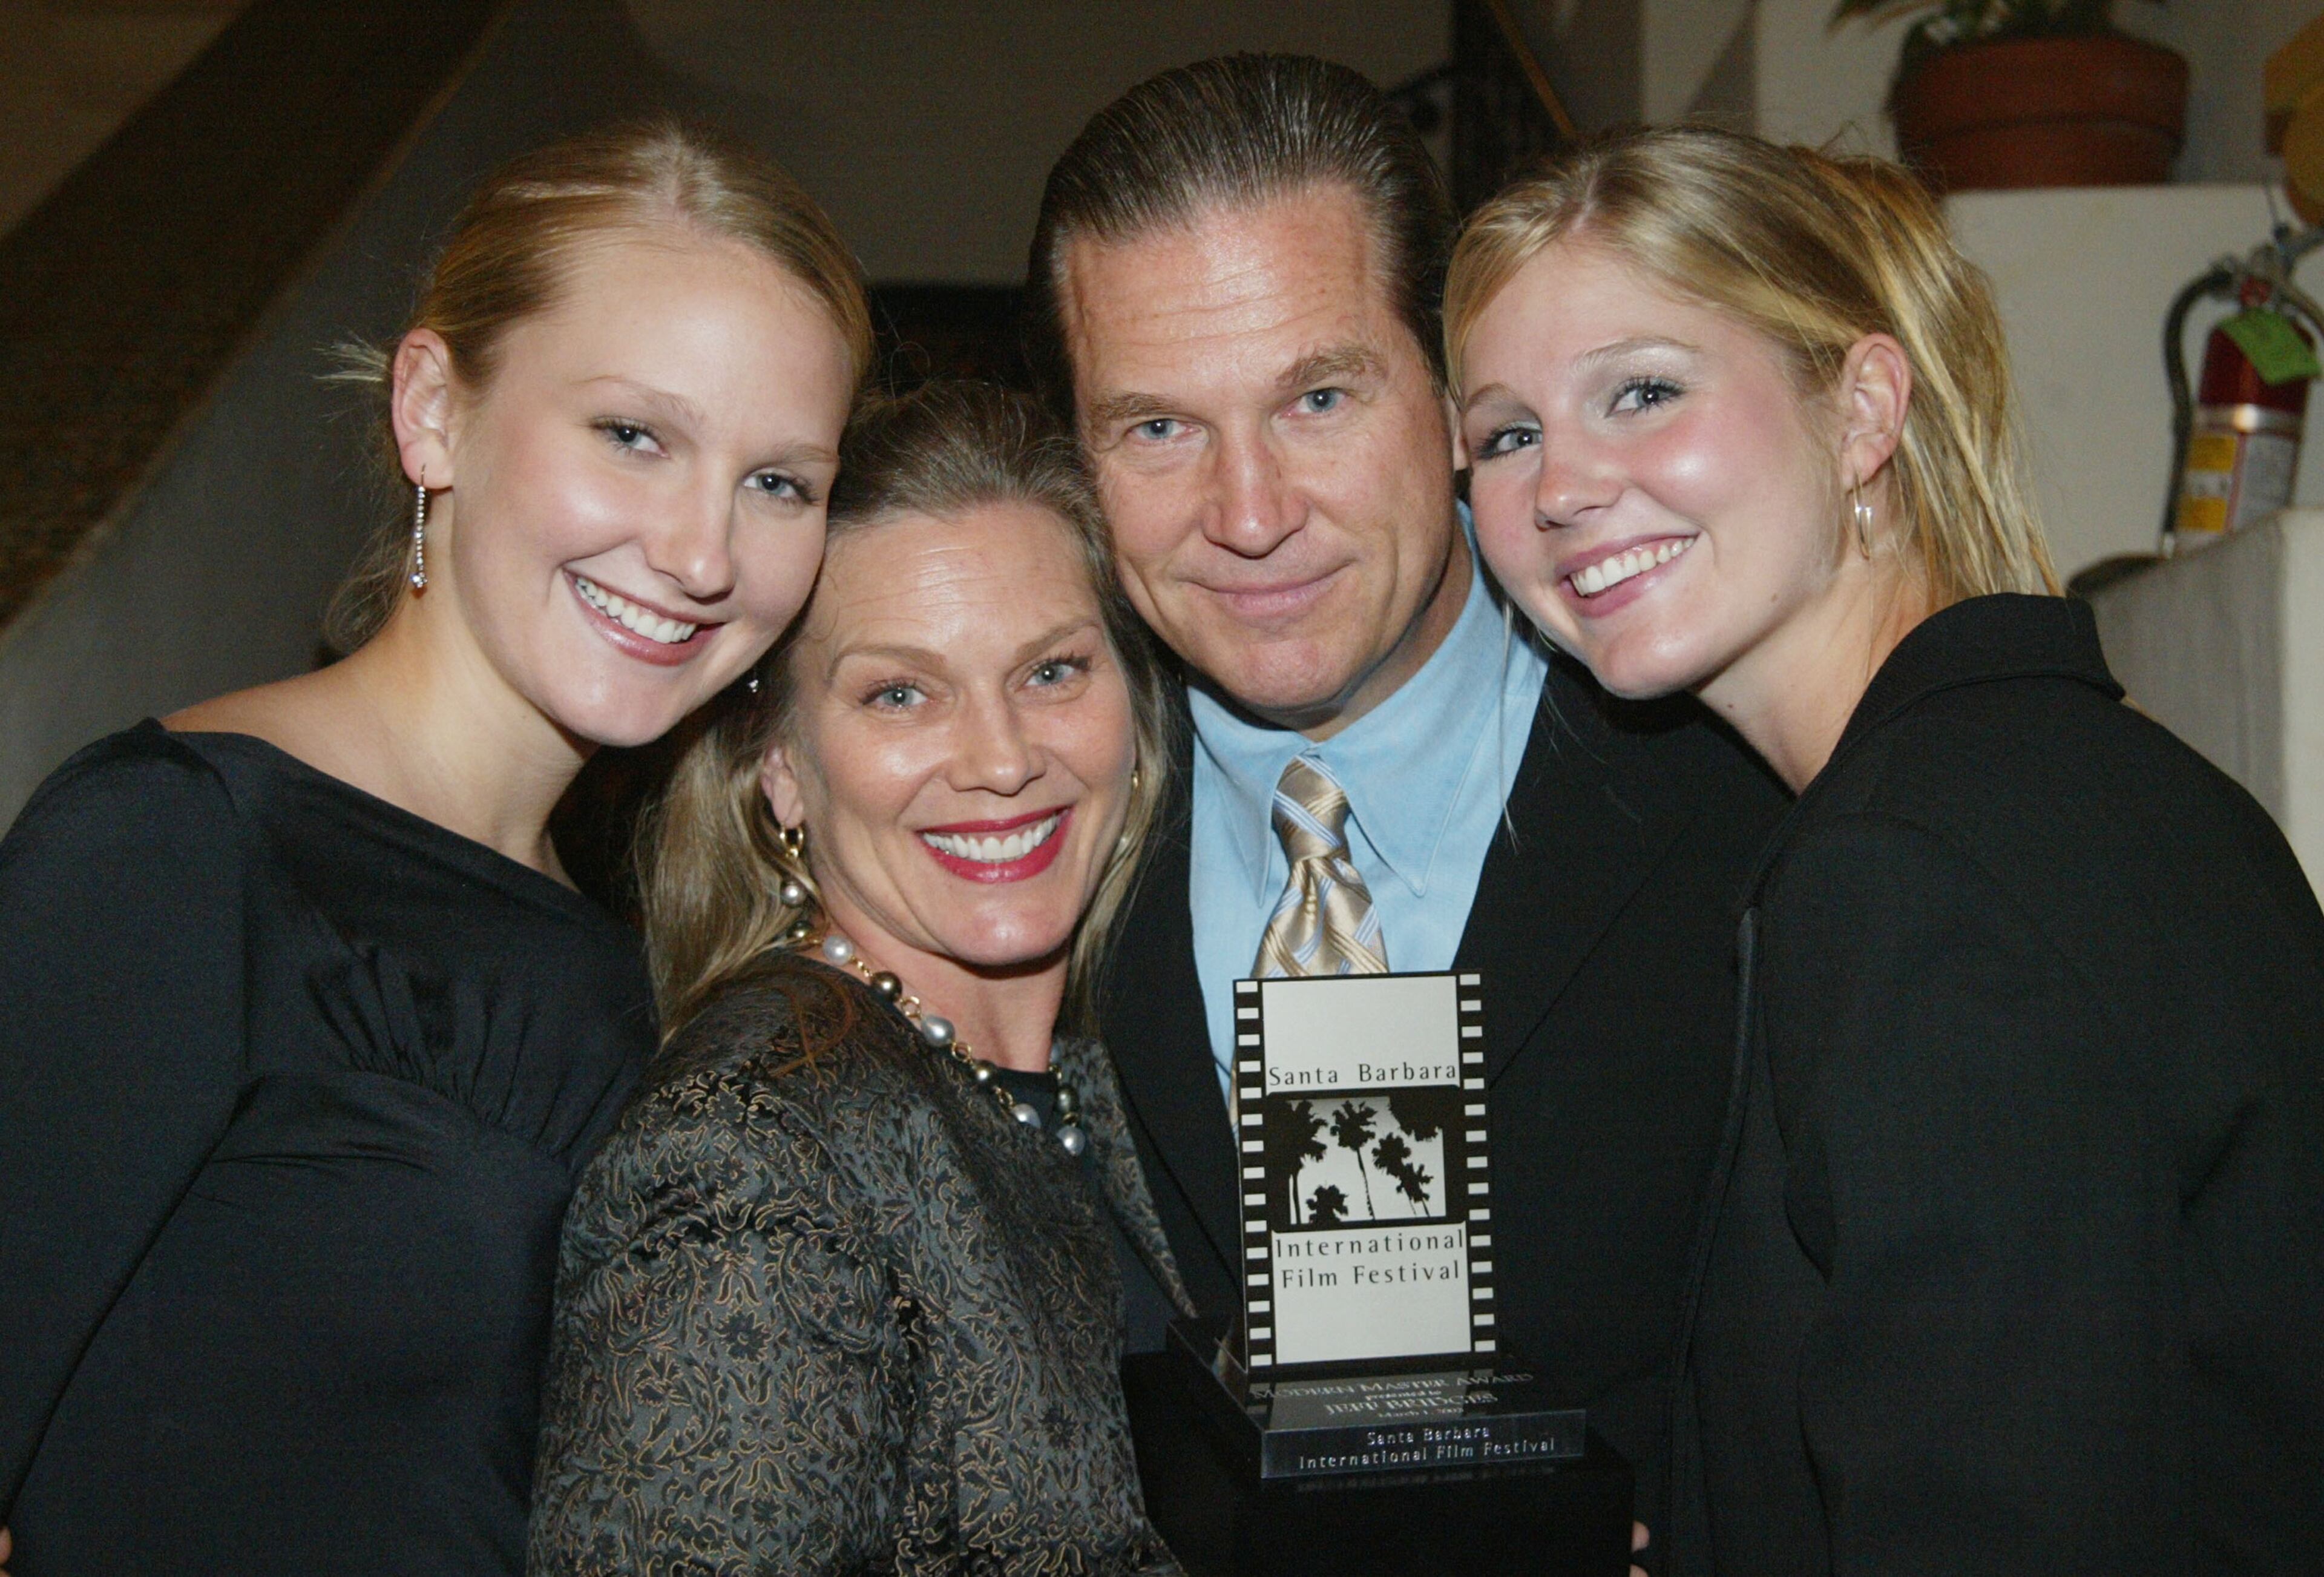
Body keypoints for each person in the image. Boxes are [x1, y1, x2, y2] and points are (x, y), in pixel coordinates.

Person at [1446, 124, 2324, 1573]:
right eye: (1505, 435)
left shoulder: (1914, 870)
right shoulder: (2079, 782)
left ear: (1861, 412)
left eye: (1643, 391)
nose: (1560, 487)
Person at [0, 119, 870, 1576]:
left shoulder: (637, 965)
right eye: (635, 436)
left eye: (779, 481)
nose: (704, 552)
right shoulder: (176, 847)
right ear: (432, 413)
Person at [1025, 53, 1788, 1543]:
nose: (1249, 515)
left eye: (1318, 396)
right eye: (1158, 427)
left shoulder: (1748, 797)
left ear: (1449, 397)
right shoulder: (1028, 836)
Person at [527, 381, 1189, 1576]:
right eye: (900, 693)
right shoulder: (745, 1151)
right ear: (781, 764)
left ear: (1135, 710)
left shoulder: (1099, 1074)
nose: (1001, 759)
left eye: (1052, 672)